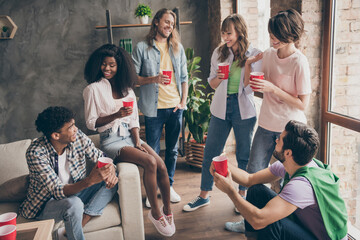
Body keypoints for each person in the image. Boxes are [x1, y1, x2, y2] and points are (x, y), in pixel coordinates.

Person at [83, 44, 175, 237]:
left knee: (162, 166)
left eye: (112, 65)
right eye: (103, 65)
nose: (107, 69)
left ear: (120, 67)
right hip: (111, 140)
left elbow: (133, 120)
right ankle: (155, 213)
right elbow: (91, 123)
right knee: (150, 162)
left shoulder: (127, 90)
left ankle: (168, 211)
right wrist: (116, 114)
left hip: (130, 136)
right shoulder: (93, 90)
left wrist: (138, 142)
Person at [212, 120, 348, 240]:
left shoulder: (301, 186)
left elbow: (258, 220)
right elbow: (249, 179)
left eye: (280, 139)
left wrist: (230, 191)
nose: (276, 139)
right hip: (307, 228)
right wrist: (224, 164)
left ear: (288, 153)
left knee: (270, 221)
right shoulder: (296, 163)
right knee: (256, 190)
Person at [183, 14, 262, 212]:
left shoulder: (254, 53)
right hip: (221, 107)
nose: (225, 37)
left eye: (229, 33)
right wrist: (218, 77)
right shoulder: (219, 52)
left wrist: (248, 65)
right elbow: (211, 83)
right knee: (211, 151)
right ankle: (203, 196)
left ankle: (242, 196)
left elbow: (250, 88)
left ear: (239, 32)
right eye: (223, 33)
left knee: (244, 154)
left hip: (243, 108)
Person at [19, 106, 118, 240]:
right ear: (56, 135)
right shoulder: (36, 153)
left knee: (113, 181)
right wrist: (89, 181)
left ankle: (76, 224)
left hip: (77, 193)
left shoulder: (78, 137)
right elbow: (57, 191)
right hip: (47, 203)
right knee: (74, 204)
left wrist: (110, 170)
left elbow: (99, 155)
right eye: (70, 127)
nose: (76, 129)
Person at [132, 8, 188, 204]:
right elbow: (133, 80)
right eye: (166, 22)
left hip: (174, 107)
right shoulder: (142, 47)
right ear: (156, 22)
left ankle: (169, 186)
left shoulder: (177, 48)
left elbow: (184, 78)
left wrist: (183, 102)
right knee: (153, 152)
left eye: (172, 24)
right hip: (153, 109)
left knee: (172, 150)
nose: (169, 27)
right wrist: (154, 79)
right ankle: (153, 190)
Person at [246, 9, 312, 175]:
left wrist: (273, 89)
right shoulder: (268, 54)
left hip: (290, 129)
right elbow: (256, 86)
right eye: (271, 33)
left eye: (277, 34)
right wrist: (249, 68)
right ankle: (253, 201)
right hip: (266, 123)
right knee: (254, 170)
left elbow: (303, 104)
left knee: (285, 177)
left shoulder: (299, 62)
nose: (272, 38)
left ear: (290, 34)